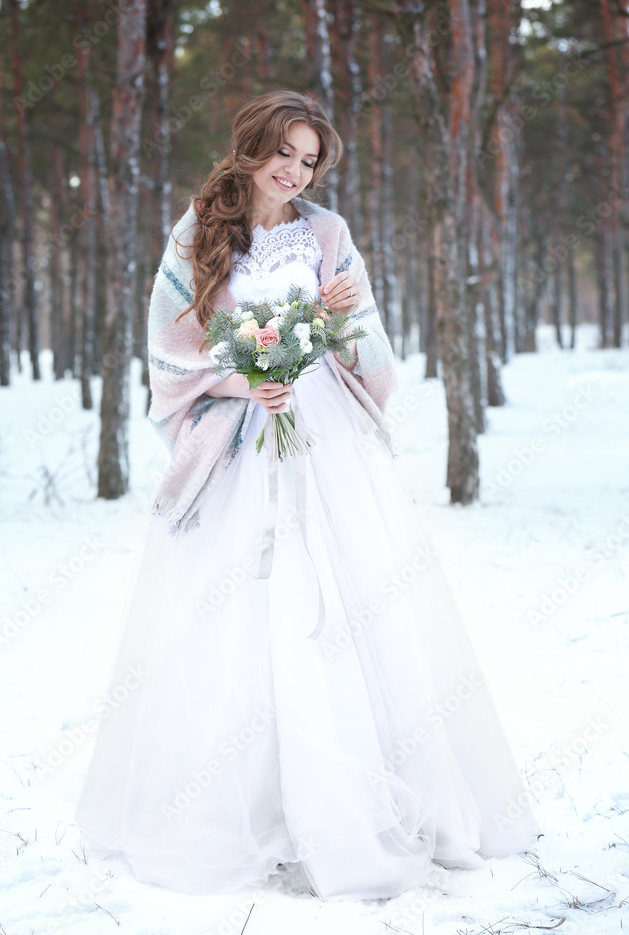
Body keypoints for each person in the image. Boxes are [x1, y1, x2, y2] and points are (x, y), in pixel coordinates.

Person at [75, 89, 539, 902]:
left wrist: (330, 329)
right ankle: (241, 804)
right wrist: (243, 375)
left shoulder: (327, 233)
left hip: (322, 432)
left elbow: (365, 330)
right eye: (283, 153)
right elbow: (171, 346)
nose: (295, 171)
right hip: (240, 434)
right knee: (238, 609)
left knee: (350, 596)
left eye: (310, 159)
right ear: (251, 146)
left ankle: (356, 802)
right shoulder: (195, 232)